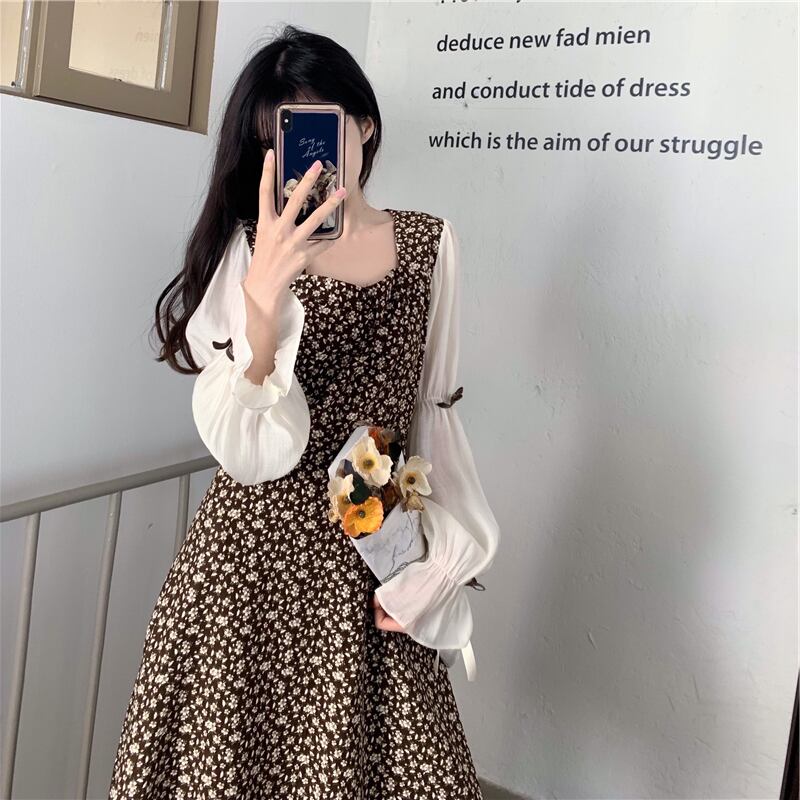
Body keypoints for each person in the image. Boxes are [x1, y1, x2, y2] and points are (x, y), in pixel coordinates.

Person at [108, 24, 499, 799]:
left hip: (371, 547)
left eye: (314, 130)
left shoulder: (430, 245)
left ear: (366, 126)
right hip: (246, 562)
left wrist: (442, 564)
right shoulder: (251, 250)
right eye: (274, 141)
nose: (300, 160)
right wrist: (262, 305)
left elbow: (434, 418)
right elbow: (245, 450)